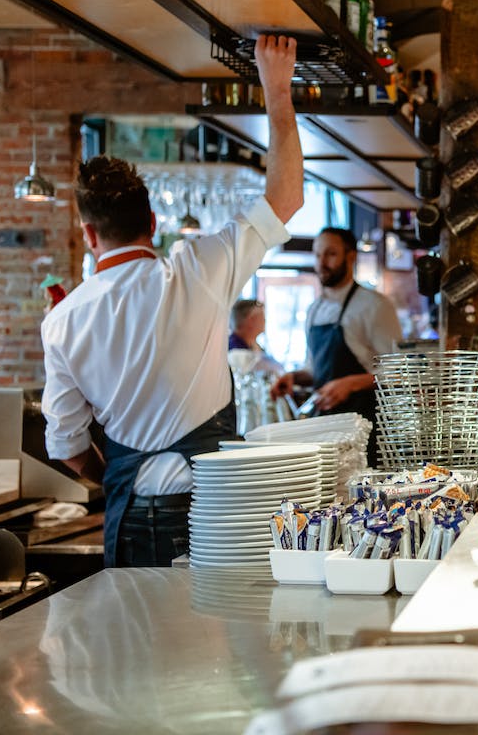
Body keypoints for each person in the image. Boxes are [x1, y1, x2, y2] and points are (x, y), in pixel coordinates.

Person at [40, 35, 301, 568]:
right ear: (153, 225)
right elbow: (287, 196)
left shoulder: (63, 321)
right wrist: (276, 87)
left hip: (132, 517)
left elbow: (66, 446)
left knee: (135, 651)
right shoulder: (198, 267)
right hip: (214, 509)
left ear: (89, 235)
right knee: (220, 647)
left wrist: (121, 471)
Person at [270, 227, 400, 465]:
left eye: (330, 254)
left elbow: (398, 374)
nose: (321, 263)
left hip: (367, 430)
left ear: (351, 257)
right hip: (326, 429)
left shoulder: (375, 306)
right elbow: (314, 370)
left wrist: (351, 384)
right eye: (317, 255)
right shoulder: (314, 309)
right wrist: (294, 377)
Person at [228, 299, 284, 376]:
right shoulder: (235, 351)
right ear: (251, 320)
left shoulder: (254, 346)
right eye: (262, 317)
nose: (265, 320)